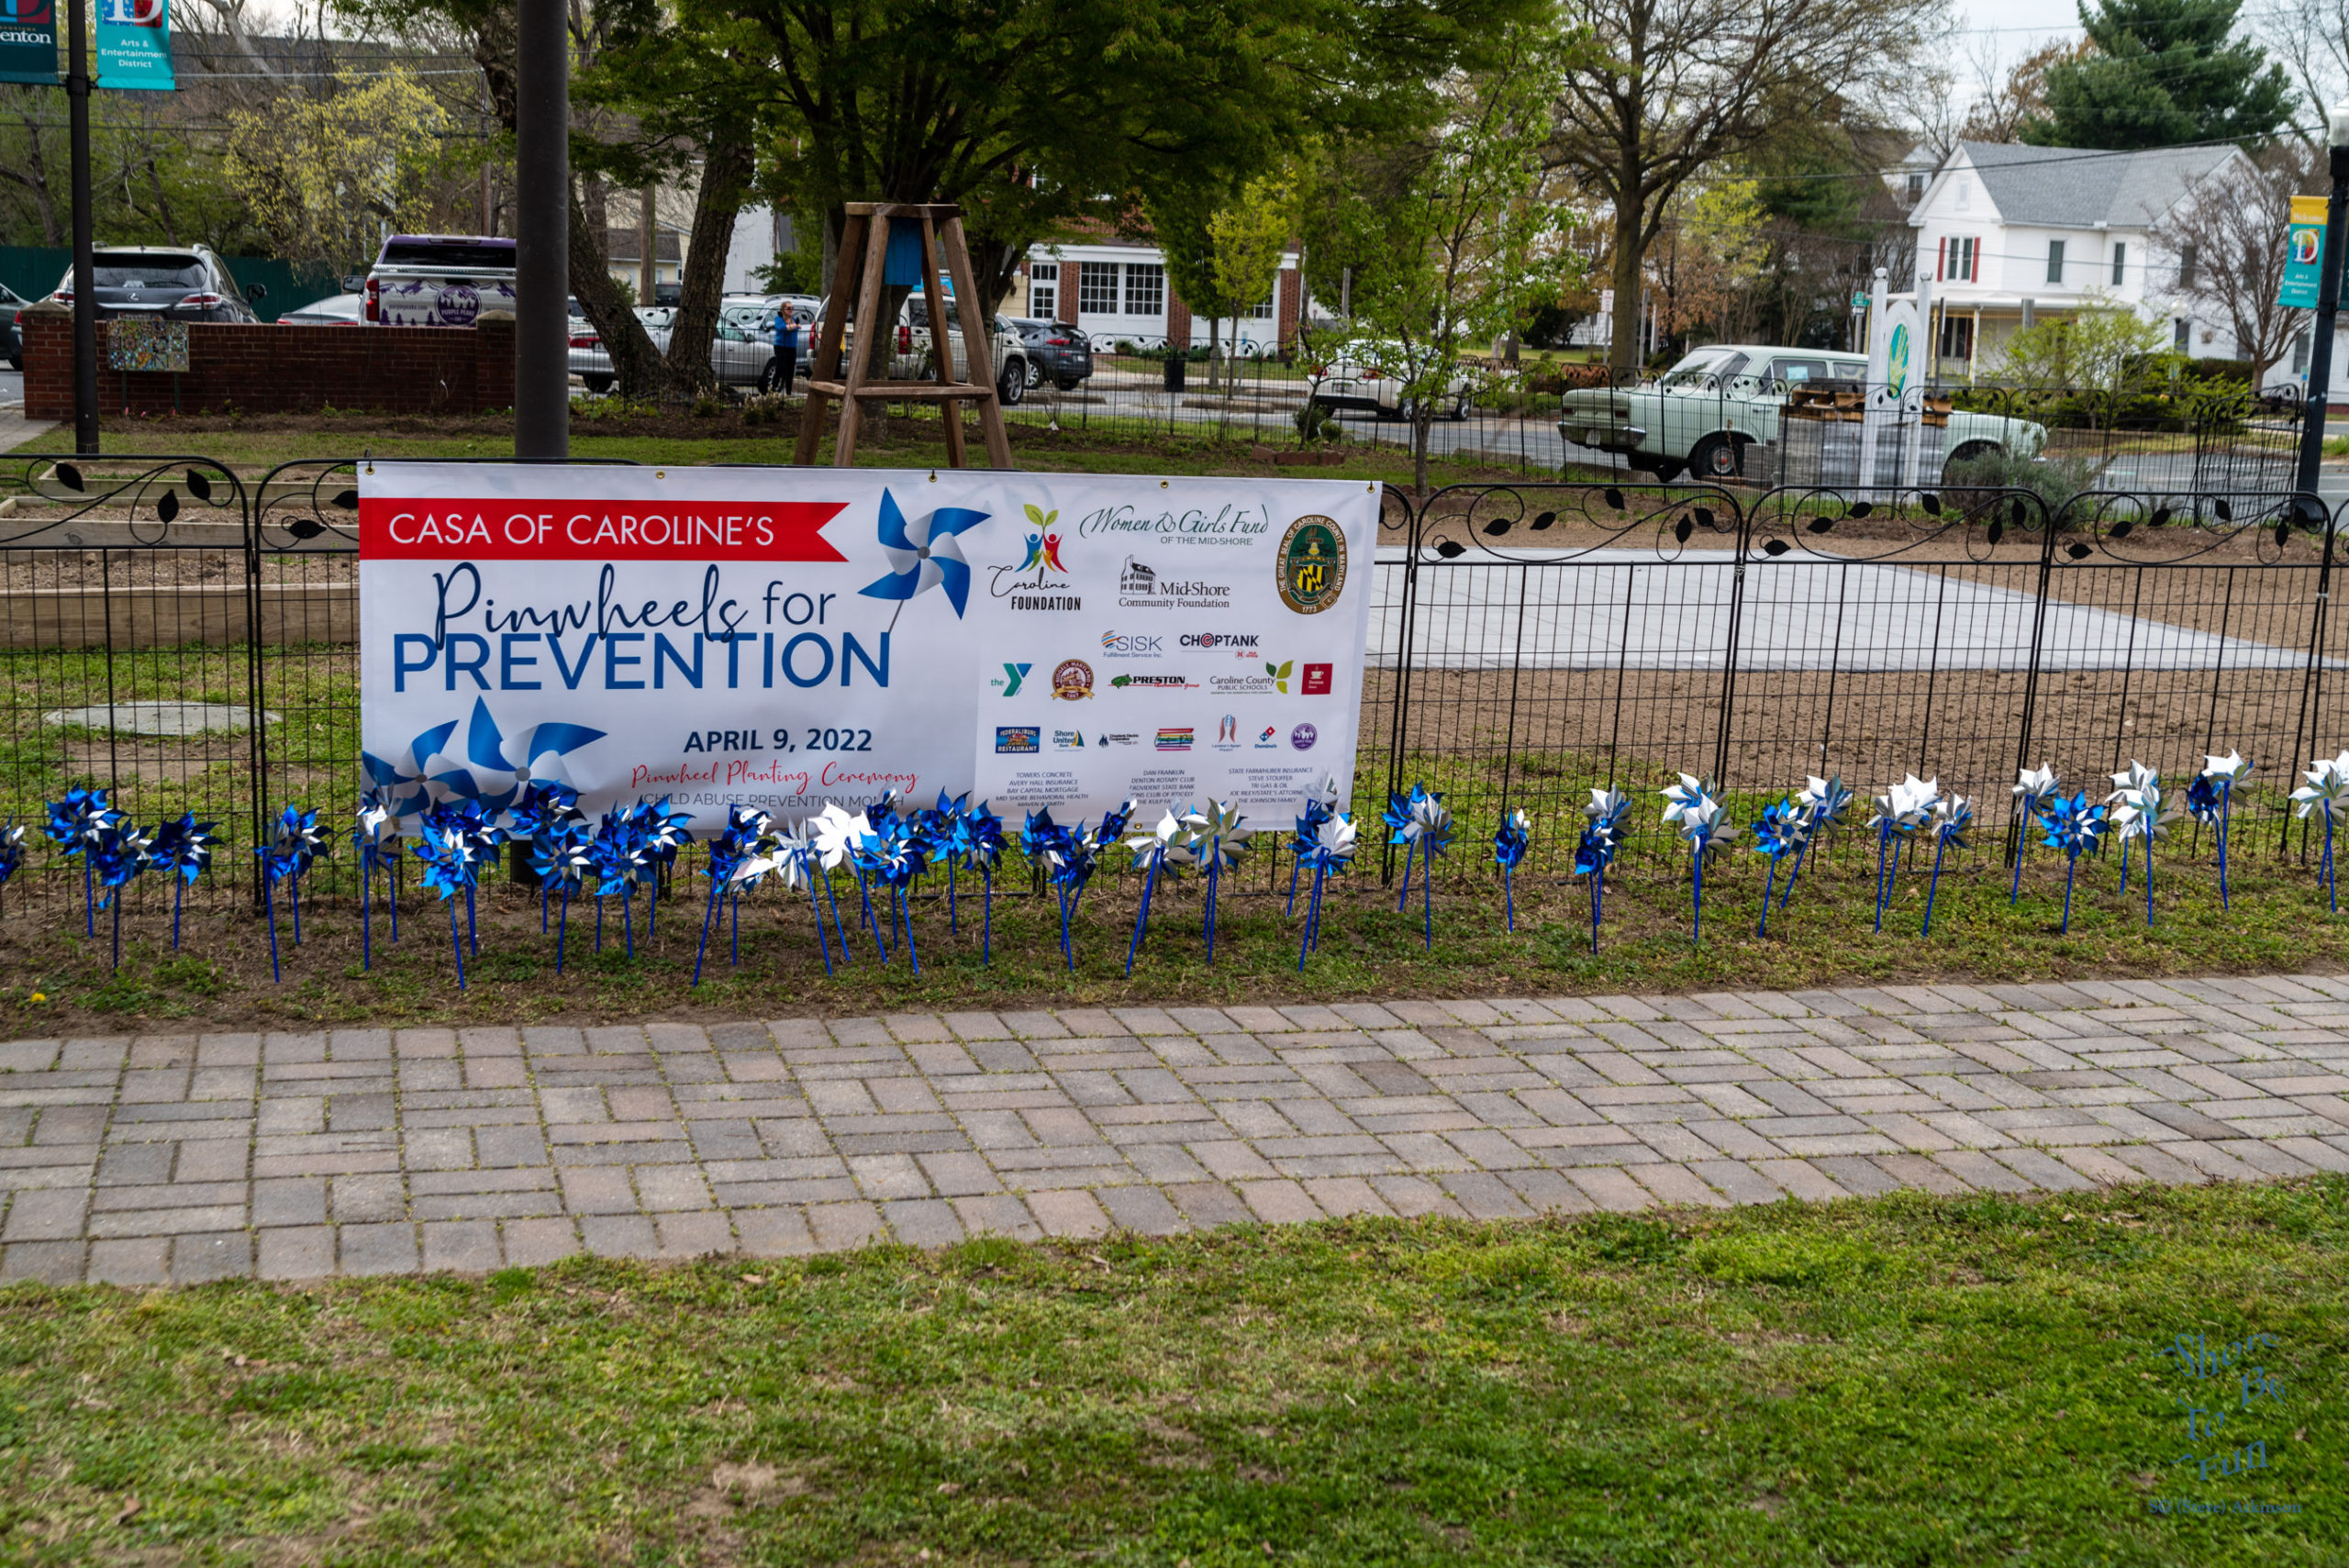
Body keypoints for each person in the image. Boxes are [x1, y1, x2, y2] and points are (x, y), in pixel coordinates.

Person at [769, 307, 799, 395]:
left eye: (792, 308)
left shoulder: (792, 318)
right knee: (780, 368)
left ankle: (788, 392)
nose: (791, 310)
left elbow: (796, 329)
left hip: (792, 346)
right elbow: (782, 327)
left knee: (790, 370)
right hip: (780, 346)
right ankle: (773, 389)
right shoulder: (778, 319)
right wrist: (792, 326)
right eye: (788, 308)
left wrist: (791, 326)